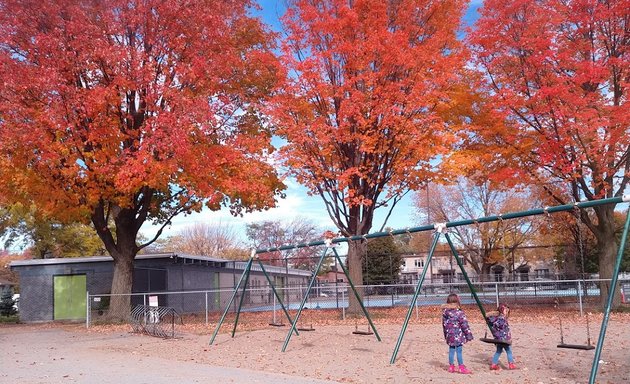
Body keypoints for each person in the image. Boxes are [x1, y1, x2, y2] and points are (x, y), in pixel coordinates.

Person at [442, 293, 474, 374]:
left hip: (450, 335)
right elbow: (464, 325)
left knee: (451, 350)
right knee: (459, 351)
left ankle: (451, 366)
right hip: (458, 335)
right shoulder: (459, 313)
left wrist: (446, 335)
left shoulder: (445, 313)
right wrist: (468, 335)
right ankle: (461, 367)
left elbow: (444, 326)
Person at [486, 303, 517, 370]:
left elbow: (491, 321)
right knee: (509, 351)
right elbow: (504, 329)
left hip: (498, 339)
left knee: (498, 351)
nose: (506, 313)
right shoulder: (502, 319)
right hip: (504, 339)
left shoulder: (495, 319)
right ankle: (511, 364)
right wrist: (508, 338)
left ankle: (493, 364)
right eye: (506, 311)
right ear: (502, 311)